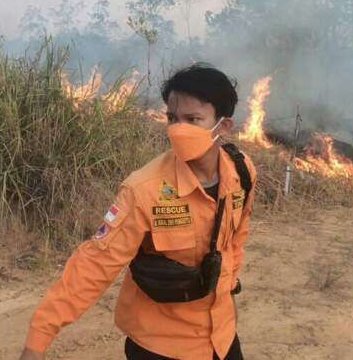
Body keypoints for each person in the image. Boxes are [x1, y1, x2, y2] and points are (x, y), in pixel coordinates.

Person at [19, 64, 257, 360]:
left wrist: (229, 285)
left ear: (222, 126)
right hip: (160, 345)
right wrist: (38, 340)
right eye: (172, 118)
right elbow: (94, 264)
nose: (178, 129)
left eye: (192, 119)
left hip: (221, 339)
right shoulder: (143, 190)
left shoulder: (241, 171)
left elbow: (237, 235)